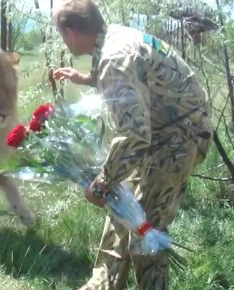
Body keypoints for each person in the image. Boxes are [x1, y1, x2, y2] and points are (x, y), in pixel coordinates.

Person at [51, 0, 214, 289]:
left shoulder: (115, 57)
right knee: (121, 210)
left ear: (71, 32)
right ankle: (103, 284)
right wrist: (88, 79)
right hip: (162, 132)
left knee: (145, 230)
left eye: (62, 34)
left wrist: (102, 182)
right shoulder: (114, 37)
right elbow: (133, 80)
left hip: (178, 139)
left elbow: (135, 135)